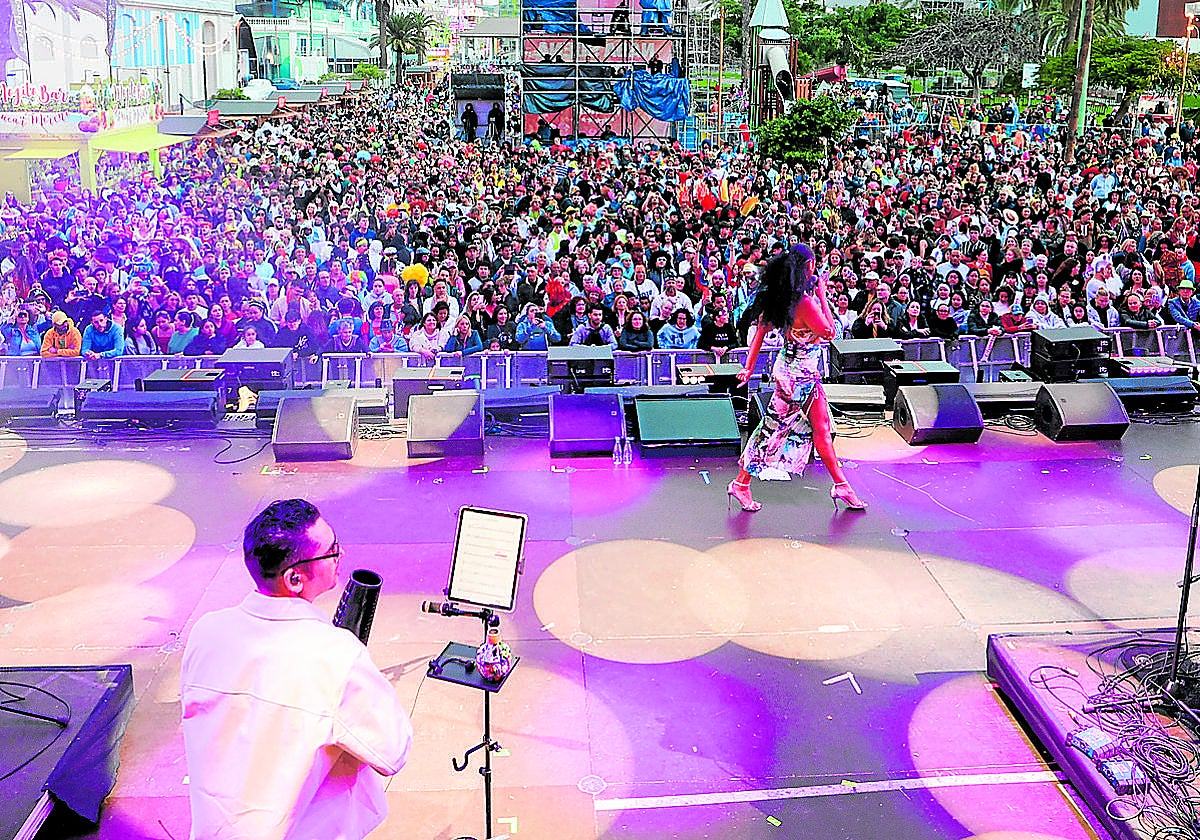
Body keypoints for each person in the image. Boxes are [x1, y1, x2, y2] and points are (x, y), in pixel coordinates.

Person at [181, 499, 413, 839]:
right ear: (294, 578)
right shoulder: (335, 654)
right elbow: (393, 751)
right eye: (331, 551)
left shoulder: (206, 631)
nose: (341, 556)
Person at [730, 244, 866, 513]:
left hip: (790, 373)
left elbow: (759, 333)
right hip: (800, 377)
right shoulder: (804, 303)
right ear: (809, 267)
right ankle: (840, 486)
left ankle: (743, 483)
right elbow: (830, 332)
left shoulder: (781, 299)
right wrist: (823, 295)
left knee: (792, 428)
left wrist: (749, 367)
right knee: (799, 430)